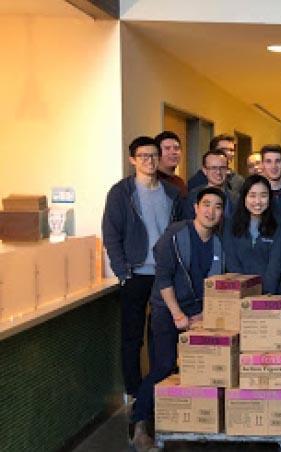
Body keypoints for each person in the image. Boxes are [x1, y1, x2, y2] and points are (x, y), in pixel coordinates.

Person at [129, 187, 226, 450]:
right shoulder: (176, 235)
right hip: (168, 309)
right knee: (164, 365)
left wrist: (205, 315)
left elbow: (216, 285)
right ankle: (139, 424)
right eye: (206, 204)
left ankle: (190, 423)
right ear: (195, 207)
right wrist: (178, 314)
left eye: (217, 206)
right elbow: (163, 278)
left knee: (201, 370)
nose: (211, 211)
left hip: (199, 313)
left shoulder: (218, 243)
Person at [102, 136, 182, 406]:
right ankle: (134, 391)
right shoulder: (121, 193)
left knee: (162, 332)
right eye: (143, 156)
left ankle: (161, 388)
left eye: (153, 156)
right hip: (135, 273)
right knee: (132, 335)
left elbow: (180, 231)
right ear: (132, 160)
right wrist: (122, 271)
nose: (149, 161)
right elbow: (111, 234)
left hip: (164, 275)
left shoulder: (172, 193)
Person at [224, 175, 281, 295]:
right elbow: (231, 263)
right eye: (252, 195)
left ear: (270, 198)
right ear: (244, 197)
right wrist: (246, 289)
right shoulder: (230, 226)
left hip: (272, 297)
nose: (258, 201)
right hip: (239, 295)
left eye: (263, 195)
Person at [182, 149, 238, 220]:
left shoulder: (237, 198)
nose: (218, 172)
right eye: (213, 168)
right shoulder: (193, 197)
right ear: (204, 171)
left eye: (222, 168)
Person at [154, 131, 187, 195]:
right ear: (156, 153)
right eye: (167, 148)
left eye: (176, 148)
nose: (173, 152)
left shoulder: (180, 182)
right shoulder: (152, 181)